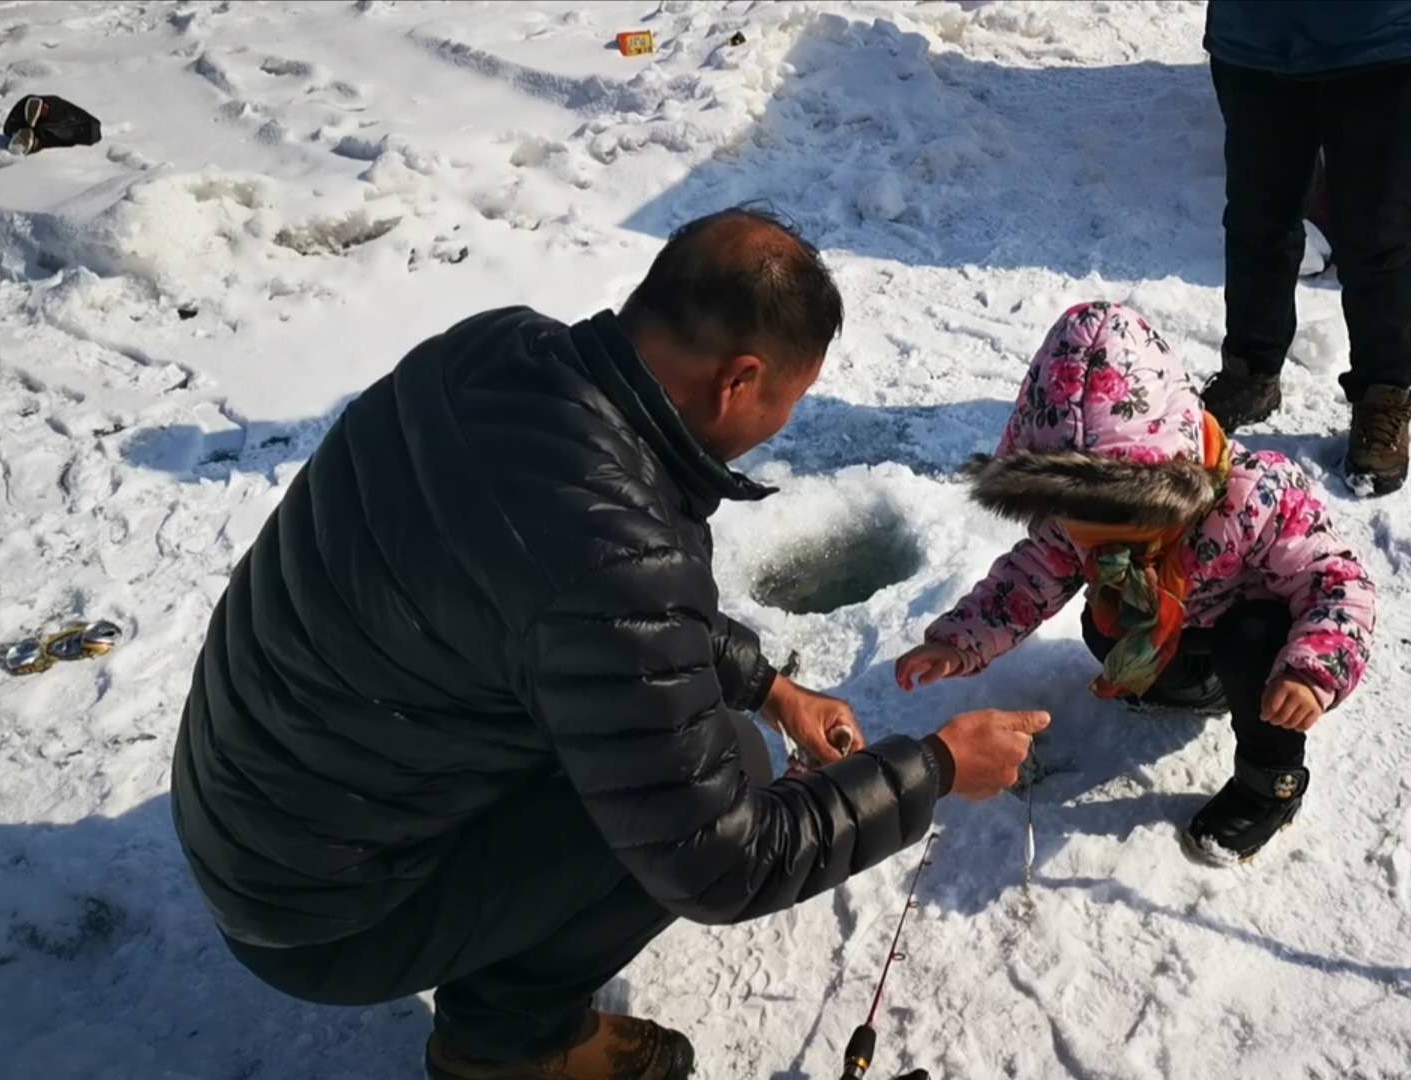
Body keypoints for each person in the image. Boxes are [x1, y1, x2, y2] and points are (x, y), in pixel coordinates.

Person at [170, 207, 1047, 1080]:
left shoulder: (497, 352)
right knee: (724, 772)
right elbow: (719, 861)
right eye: (789, 398)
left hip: (247, 814)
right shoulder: (617, 555)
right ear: (739, 381)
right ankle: (506, 1048)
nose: (782, 422)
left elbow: (583, 607)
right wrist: (931, 766)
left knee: (710, 733)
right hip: (324, 916)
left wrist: (771, 688)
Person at [895, 302, 1376, 863]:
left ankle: (1270, 785)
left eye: (1120, 521)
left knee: (1252, 634)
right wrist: (958, 641)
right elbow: (1026, 581)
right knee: (1099, 624)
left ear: (1168, 483)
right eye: (1077, 522)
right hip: (1171, 648)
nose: (1093, 540)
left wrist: (1310, 672)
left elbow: (1339, 585)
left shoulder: (1255, 497)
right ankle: (1159, 686)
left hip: (1256, 675)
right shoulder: (1078, 524)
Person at [1198, 0, 1411, 495]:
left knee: (1378, 232)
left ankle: (1383, 392)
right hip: (1256, 36)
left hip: (1387, 36)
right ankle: (1250, 372)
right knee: (1259, 218)